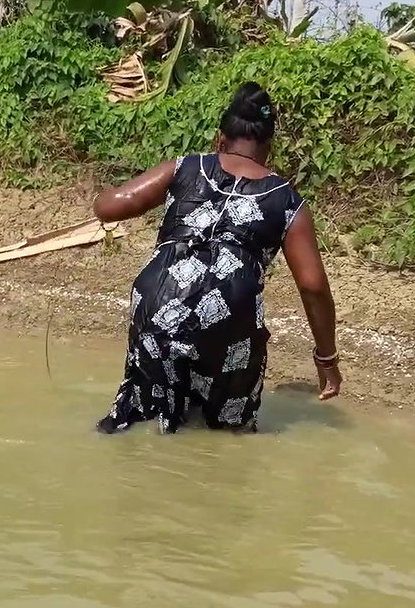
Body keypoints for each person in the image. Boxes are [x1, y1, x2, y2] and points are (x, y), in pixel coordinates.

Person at [93, 82, 341, 435]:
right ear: (268, 147)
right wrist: (326, 358)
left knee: (143, 415)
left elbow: (110, 206)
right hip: (231, 317)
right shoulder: (288, 201)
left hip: (158, 301)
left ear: (220, 139)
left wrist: (105, 193)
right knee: (227, 432)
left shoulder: (185, 167)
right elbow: (313, 287)